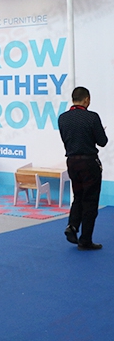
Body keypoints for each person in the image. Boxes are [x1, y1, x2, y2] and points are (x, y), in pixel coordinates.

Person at [58, 86, 107, 250]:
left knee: (78, 196)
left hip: (72, 162)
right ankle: (85, 240)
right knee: (90, 201)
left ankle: (72, 226)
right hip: (89, 163)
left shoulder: (63, 118)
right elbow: (102, 141)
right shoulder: (92, 117)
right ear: (87, 99)